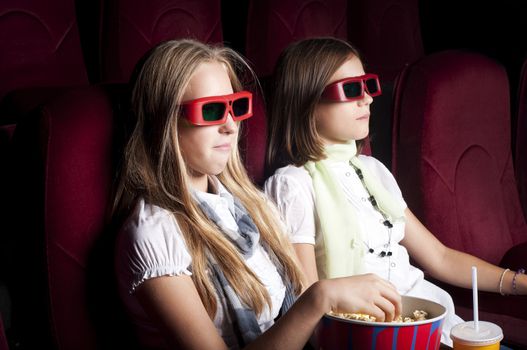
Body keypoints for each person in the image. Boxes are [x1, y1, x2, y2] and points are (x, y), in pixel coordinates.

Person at [111, 39, 402, 350]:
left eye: (235, 107)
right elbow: (308, 306)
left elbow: (303, 324)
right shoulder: (154, 234)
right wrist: (319, 297)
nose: (230, 125)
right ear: (163, 123)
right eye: (210, 111)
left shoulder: (252, 204)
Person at [264, 37, 527, 346]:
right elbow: (308, 301)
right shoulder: (292, 185)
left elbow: (439, 257)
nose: (367, 100)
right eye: (351, 89)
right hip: (374, 336)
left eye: (368, 86)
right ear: (306, 100)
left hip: (435, 322)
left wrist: (517, 283)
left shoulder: (372, 170)